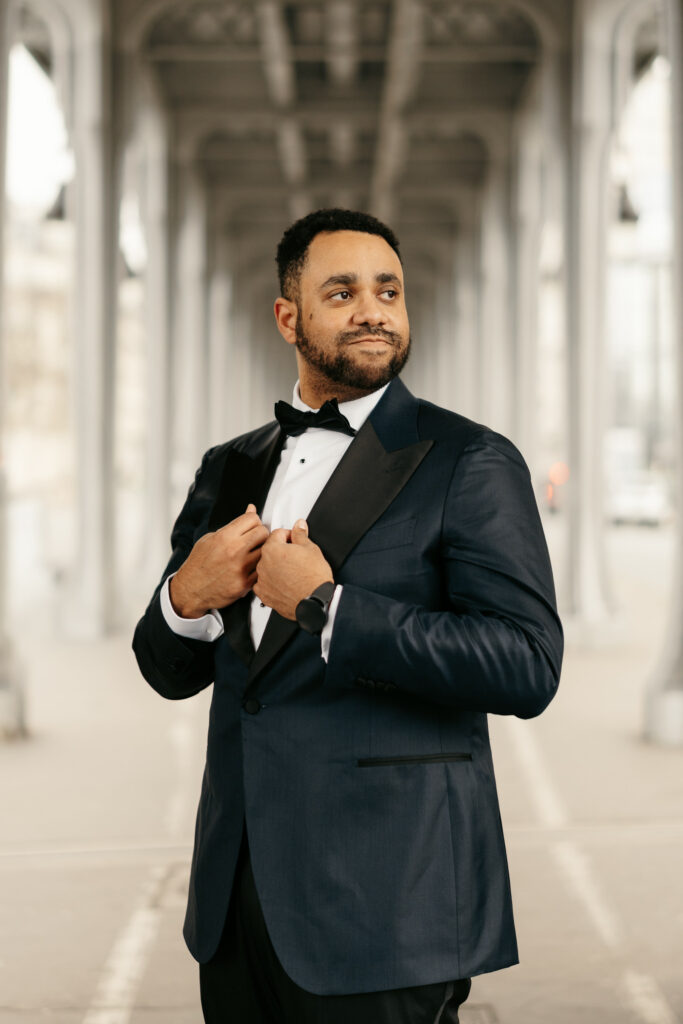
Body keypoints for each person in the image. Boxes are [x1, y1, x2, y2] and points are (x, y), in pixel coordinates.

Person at [133, 207, 563, 1024]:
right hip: (237, 904)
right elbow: (166, 669)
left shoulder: (468, 460)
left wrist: (329, 609)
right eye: (342, 291)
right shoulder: (229, 468)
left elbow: (526, 664)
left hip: (388, 902)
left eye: (388, 290)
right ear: (288, 318)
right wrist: (184, 597)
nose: (372, 309)